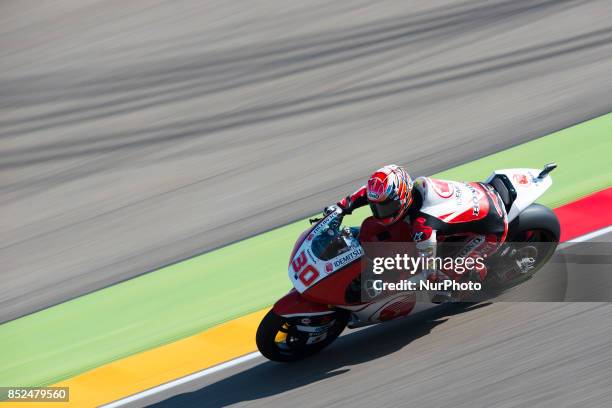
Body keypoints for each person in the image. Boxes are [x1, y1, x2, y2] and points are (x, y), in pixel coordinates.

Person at [326, 164, 508, 290]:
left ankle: (477, 271)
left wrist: (390, 286)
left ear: (403, 198)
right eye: (376, 207)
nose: (379, 212)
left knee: (443, 275)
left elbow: (428, 274)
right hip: (482, 196)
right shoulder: (413, 187)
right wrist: (342, 206)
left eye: (385, 207)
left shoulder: (423, 226)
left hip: (492, 230)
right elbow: (369, 193)